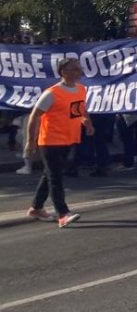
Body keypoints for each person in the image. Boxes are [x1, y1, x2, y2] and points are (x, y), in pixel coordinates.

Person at [24, 57, 94, 227]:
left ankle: (36, 207)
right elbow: (34, 117)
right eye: (74, 69)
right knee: (56, 177)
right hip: (50, 140)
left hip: (69, 138)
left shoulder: (81, 89)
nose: (78, 72)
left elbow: (80, 108)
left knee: (49, 174)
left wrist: (87, 122)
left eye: (79, 68)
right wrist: (30, 142)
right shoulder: (52, 93)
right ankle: (63, 213)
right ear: (63, 72)